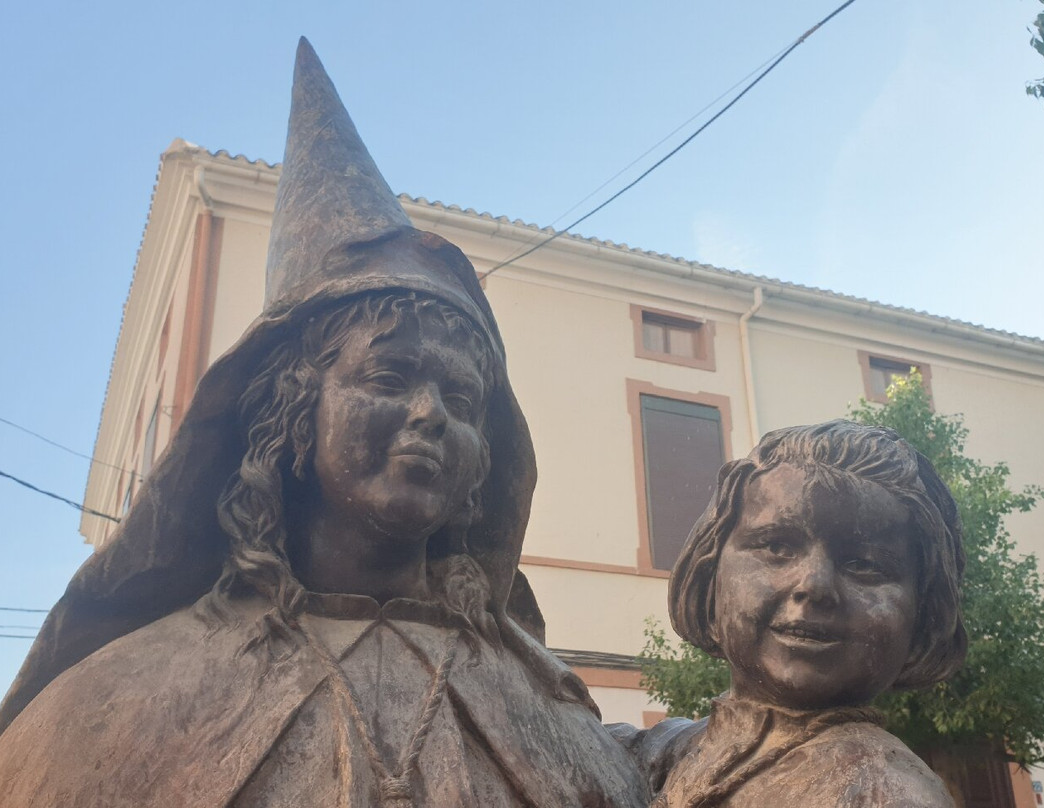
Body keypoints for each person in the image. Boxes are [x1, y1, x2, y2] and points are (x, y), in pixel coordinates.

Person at [0, 39, 650, 808]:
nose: (430, 415)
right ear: (292, 411)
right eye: (387, 377)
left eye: (462, 399)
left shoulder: (548, 711)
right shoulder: (108, 705)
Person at [617, 420, 967, 807]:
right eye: (777, 547)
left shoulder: (885, 793)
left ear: (923, 618)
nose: (814, 586)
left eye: (864, 565)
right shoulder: (658, 751)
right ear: (708, 571)